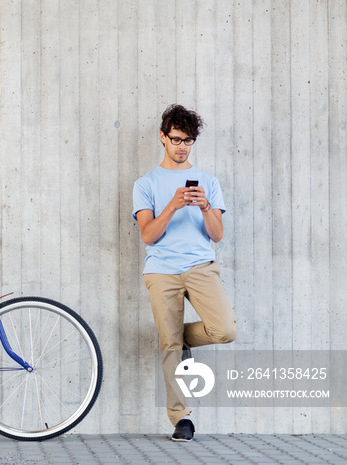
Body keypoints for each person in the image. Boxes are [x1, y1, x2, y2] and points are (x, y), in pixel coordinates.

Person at [132, 104, 236, 441]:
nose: (182, 147)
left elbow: (217, 235)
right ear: (163, 137)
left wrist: (205, 206)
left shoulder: (208, 182)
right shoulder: (145, 183)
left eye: (188, 141)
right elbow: (148, 235)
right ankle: (182, 419)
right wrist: (173, 205)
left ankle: (174, 340)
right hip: (161, 271)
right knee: (170, 344)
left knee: (223, 330)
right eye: (176, 139)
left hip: (200, 267)